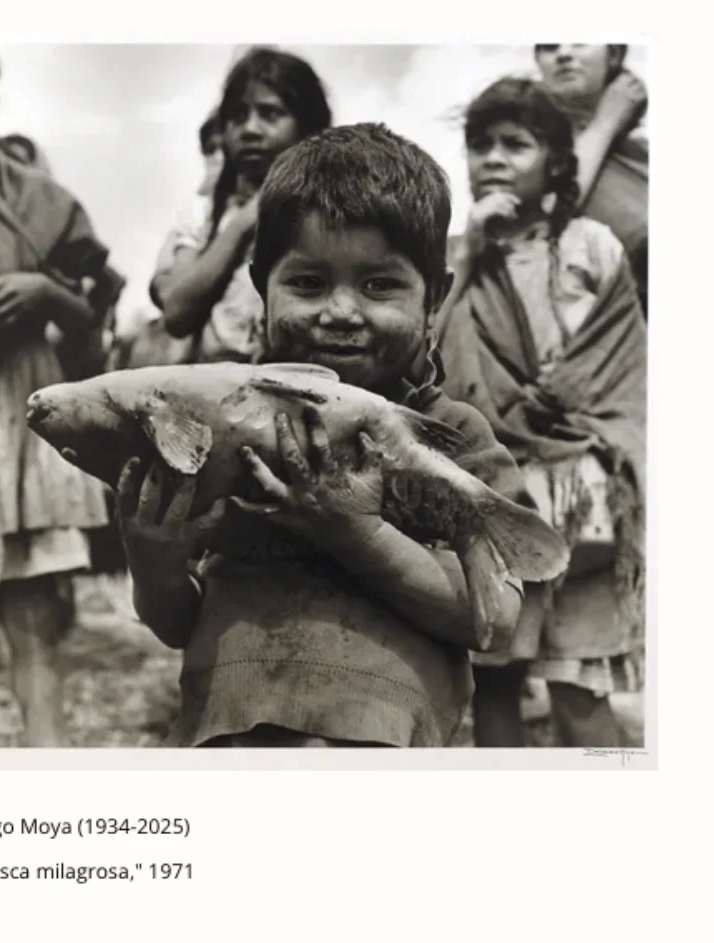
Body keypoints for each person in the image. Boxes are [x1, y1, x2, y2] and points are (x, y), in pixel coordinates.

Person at [116, 123, 527, 749]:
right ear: (262, 287)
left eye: (379, 285)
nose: (340, 312)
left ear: (435, 298)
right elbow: (178, 624)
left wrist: (354, 533)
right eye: (307, 283)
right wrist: (153, 563)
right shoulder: (225, 429)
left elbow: (491, 622)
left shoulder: (451, 438)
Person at [437, 78, 646, 748]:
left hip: (582, 493)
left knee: (580, 687)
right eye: (481, 145)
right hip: (493, 491)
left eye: (515, 144)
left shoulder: (591, 245)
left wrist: (550, 400)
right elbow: (425, 360)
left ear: (555, 162)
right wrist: (469, 255)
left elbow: (616, 356)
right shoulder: (455, 258)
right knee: (495, 679)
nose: (494, 158)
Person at [0, 43, 112, 747]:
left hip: (28, 416)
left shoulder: (36, 197)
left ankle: (48, 765)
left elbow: (93, 305)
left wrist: (47, 292)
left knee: (39, 616)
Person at [150, 46, 332, 365]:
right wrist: (243, 224)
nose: (250, 129)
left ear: (307, 127)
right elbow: (177, 314)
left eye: (270, 114)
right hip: (216, 382)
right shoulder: (204, 213)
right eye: (238, 117)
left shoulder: (329, 206)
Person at [534, 44, 648, 316]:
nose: (563, 53)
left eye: (580, 41)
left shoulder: (643, 150)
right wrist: (606, 121)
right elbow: (547, 214)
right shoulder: (528, 145)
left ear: (614, 55)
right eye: (549, 46)